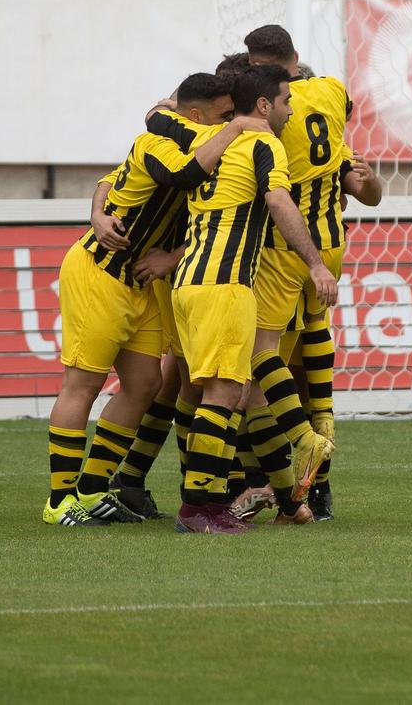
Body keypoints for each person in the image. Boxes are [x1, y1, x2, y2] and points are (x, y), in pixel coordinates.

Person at [43, 73, 258, 527]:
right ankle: (59, 500)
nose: (230, 122)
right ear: (195, 116)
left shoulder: (213, 147)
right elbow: (178, 174)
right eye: (223, 115)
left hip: (141, 283)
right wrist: (97, 215)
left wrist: (170, 255)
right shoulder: (157, 142)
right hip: (100, 273)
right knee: (82, 383)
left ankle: (92, 489)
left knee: (143, 386)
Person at [171, 66, 335, 535]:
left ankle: (233, 502)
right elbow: (280, 203)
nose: (289, 109)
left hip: (189, 281)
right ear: (263, 105)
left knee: (229, 393)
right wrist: (315, 263)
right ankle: (199, 508)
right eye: (284, 101)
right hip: (224, 284)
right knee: (223, 395)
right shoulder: (264, 144)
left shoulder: (210, 141)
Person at [232, 29, 381, 522]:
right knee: (310, 365)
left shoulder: (263, 123)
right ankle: (316, 493)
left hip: (284, 247)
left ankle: (294, 457)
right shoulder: (332, 92)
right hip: (331, 244)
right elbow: (351, 160)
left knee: (258, 360)